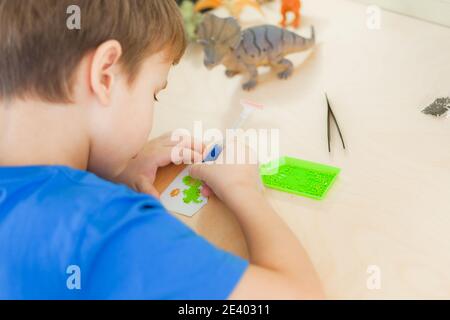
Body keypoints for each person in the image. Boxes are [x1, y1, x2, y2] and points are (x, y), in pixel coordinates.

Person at [0, 0, 323, 299]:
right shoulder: (108, 231)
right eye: (155, 93)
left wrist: (111, 170)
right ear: (105, 75)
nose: (154, 105)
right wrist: (243, 190)